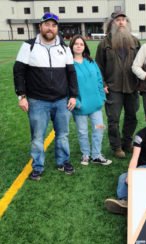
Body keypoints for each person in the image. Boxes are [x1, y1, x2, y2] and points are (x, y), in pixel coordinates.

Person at [13, 13, 78, 180]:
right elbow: (18, 71)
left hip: (61, 100)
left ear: (57, 29)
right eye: (47, 25)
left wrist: (73, 96)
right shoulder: (29, 46)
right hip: (37, 101)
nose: (50, 28)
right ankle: (37, 166)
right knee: (37, 137)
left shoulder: (64, 48)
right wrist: (21, 96)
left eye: (54, 26)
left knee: (63, 134)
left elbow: (71, 73)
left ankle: (63, 162)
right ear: (40, 27)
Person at [95, 11, 140, 159]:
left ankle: (127, 143)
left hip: (132, 86)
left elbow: (141, 64)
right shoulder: (104, 44)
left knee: (132, 116)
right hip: (113, 88)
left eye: (123, 20)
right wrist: (103, 84)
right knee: (113, 119)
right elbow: (98, 66)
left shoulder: (135, 42)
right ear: (111, 23)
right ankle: (116, 146)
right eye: (117, 20)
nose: (121, 22)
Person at [70, 35, 112, 166]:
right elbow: (66, 85)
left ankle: (96, 155)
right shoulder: (68, 64)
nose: (78, 46)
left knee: (99, 128)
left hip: (95, 105)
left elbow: (99, 80)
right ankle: (86, 154)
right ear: (71, 46)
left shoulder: (91, 61)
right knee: (82, 132)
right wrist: (76, 102)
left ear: (84, 46)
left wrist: (101, 97)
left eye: (81, 44)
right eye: (76, 44)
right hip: (80, 106)